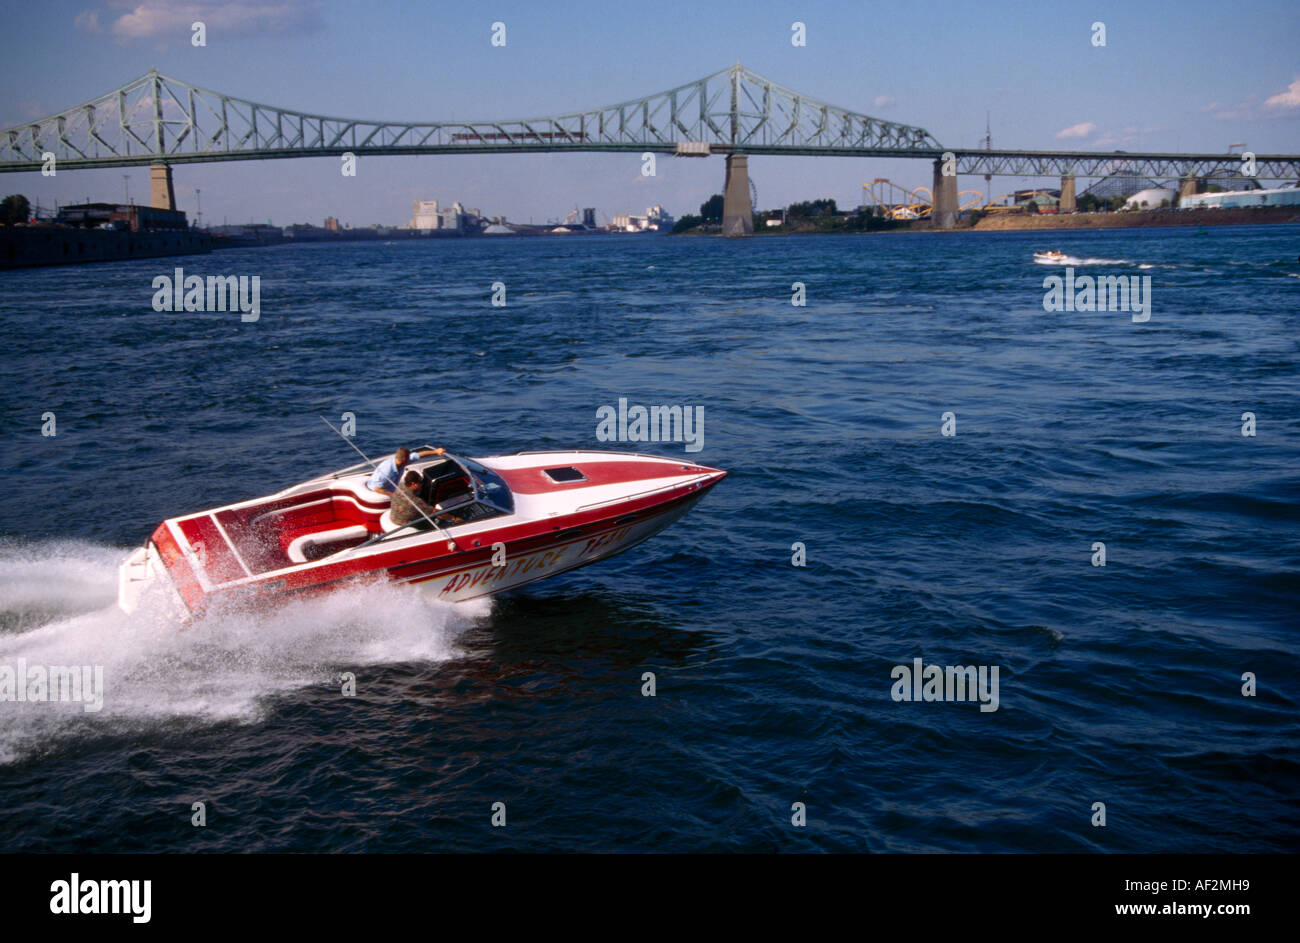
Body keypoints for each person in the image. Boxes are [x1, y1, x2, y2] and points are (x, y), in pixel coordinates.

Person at [389, 470, 463, 528]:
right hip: (402, 523)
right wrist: (454, 518)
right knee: (434, 521)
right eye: (420, 482)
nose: (422, 484)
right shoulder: (416, 501)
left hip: (394, 517)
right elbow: (435, 512)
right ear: (413, 484)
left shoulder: (400, 486)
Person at [366, 445, 444, 497]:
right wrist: (395, 496)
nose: (410, 458)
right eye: (408, 458)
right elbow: (376, 488)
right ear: (404, 460)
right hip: (378, 493)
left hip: (391, 487)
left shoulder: (400, 461)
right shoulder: (386, 470)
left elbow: (420, 454)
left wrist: (436, 451)